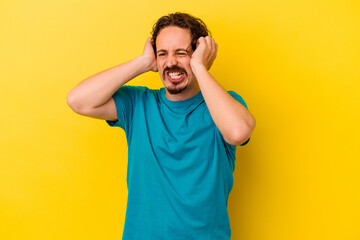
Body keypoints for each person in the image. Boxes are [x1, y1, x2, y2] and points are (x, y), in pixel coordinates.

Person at [67, 12, 255, 240]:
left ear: (199, 54)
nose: (171, 62)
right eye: (163, 53)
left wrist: (200, 68)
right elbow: (78, 100)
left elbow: (239, 132)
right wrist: (143, 62)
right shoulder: (138, 104)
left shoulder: (223, 105)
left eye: (181, 53)